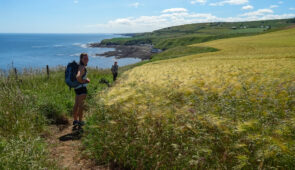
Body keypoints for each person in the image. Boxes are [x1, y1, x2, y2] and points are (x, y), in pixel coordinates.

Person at [72, 53, 90, 130]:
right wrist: (84, 81)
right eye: (85, 58)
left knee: (76, 104)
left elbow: (79, 76)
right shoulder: (82, 67)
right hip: (82, 88)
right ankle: (80, 121)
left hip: (77, 88)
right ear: (81, 59)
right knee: (81, 106)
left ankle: (75, 120)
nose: (86, 59)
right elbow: (78, 77)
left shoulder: (78, 66)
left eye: (87, 58)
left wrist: (84, 79)